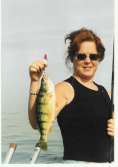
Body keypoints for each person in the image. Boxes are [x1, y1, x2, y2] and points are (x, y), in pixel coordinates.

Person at [28, 28, 114, 163]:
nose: (87, 61)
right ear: (72, 59)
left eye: (93, 56)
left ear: (99, 59)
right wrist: (34, 82)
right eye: (81, 56)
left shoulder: (107, 93)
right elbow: (36, 123)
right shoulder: (65, 89)